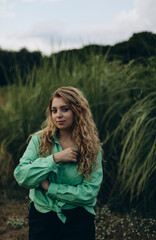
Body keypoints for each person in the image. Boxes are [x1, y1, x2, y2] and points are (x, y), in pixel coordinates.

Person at [14, 86, 103, 240]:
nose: (58, 115)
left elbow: (88, 193)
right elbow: (22, 176)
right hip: (42, 218)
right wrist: (55, 159)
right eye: (54, 110)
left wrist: (50, 187)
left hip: (78, 220)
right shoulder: (39, 140)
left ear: (77, 111)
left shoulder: (91, 148)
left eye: (64, 109)